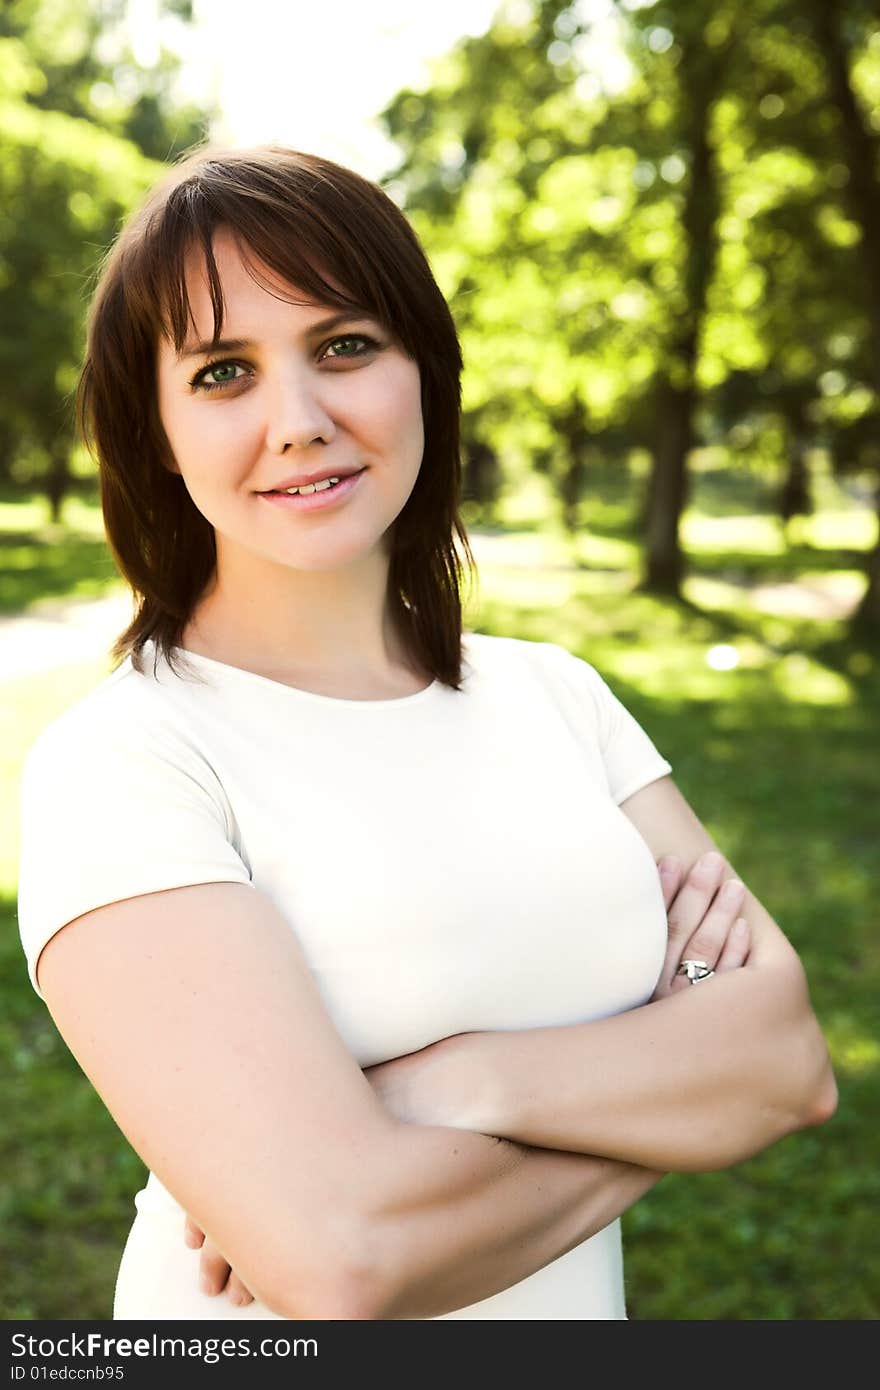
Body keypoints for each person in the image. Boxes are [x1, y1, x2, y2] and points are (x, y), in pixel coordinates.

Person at [16, 144, 837, 1322]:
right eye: (222, 372)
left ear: (424, 372)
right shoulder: (128, 761)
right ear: (153, 430)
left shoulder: (559, 696)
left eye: (345, 346)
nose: (298, 422)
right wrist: (685, 1082)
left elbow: (789, 1060)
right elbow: (345, 1262)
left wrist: (445, 1086)